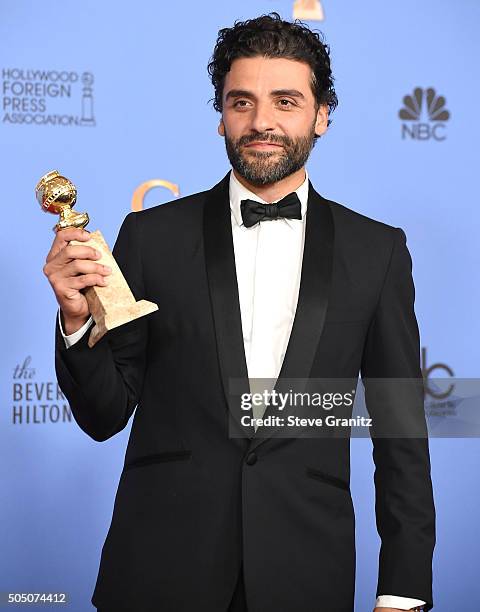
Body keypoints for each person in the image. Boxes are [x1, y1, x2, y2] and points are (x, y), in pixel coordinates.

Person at [43, 13, 435, 612]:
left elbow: (400, 428)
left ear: (322, 115)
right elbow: (104, 413)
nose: (262, 123)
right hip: (159, 569)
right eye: (242, 102)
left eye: (286, 101)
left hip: (306, 570)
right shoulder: (150, 237)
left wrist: (403, 589)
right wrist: (76, 322)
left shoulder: (377, 251)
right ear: (221, 114)